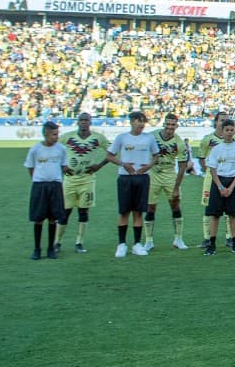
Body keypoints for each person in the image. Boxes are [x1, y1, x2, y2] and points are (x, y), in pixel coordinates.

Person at [56, 112, 110, 253]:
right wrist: (62, 166)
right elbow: (54, 150)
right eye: (82, 120)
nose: (84, 122)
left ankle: (79, 243)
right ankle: (57, 242)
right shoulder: (68, 137)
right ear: (78, 122)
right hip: (70, 180)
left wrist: (99, 165)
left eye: (87, 120)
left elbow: (112, 151)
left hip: (87, 179)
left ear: (90, 122)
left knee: (83, 211)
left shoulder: (98, 138)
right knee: (65, 212)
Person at [106, 111, 156, 258]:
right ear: (131, 122)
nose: (141, 124)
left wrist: (148, 167)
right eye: (138, 121)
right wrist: (123, 164)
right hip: (125, 178)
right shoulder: (122, 138)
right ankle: (121, 244)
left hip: (142, 178)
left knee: (138, 211)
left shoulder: (149, 138)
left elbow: (156, 156)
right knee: (124, 211)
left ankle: (137, 244)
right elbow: (109, 156)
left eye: (143, 121)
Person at [203, 118, 235, 255]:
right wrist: (220, 187)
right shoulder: (216, 149)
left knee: (232, 215)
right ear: (222, 132)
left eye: (231, 130)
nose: (229, 132)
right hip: (219, 183)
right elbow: (212, 169)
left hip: (233, 183)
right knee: (215, 215)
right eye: (226, 130)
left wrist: (232, 186)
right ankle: (212, 244)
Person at [25, 121, 69, 260]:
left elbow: (63, 166)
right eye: (54, 134)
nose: (56, 137)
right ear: (46, 134)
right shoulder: (35, 149)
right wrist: (38, 179)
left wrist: (56, 177)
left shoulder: (61, 149)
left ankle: (51, 248)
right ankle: (37, 249)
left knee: (52, 218)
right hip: (40, 186)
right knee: (38, 219)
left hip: (55, 186)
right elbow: (30, 168)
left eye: (57, 134)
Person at [147, 113, 190, 251]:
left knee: (175, 205)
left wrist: (177, 187)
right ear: (164, 124)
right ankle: (149, 240)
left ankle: (178, 239)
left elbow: (183, 166)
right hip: (153, 175)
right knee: (150, 207)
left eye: (173, 125)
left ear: (176, 126)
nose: (170, 127)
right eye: (168, 124)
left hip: (170, 176)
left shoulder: (179, 143)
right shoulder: (152, 136)